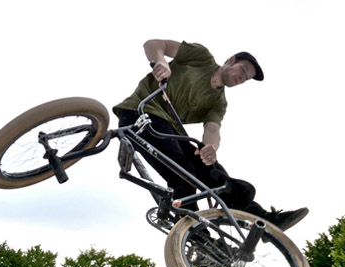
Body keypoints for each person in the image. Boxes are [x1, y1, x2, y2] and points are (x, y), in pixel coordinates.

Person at [113, 39, 308, 230]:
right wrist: (161, 62)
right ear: (230, 60)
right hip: (140, 113)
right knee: (182, 173)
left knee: (214, 174)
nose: (242, 78)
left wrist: (210, 148)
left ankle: (264, 221)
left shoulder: (219, 102)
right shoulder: (201, 57)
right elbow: (154, 44)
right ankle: (193, 232)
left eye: (246, 79)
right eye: (242, 71)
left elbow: (212, 130)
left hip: (170, 129)